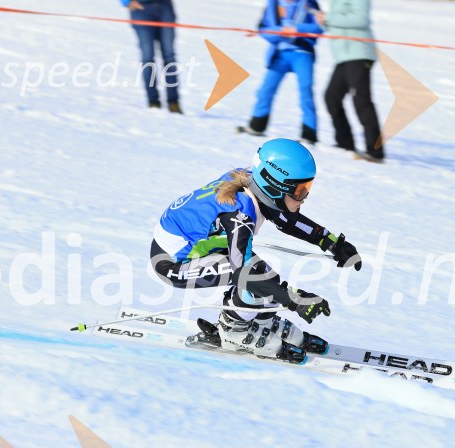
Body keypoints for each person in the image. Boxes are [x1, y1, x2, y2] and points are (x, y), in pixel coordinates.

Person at [150, 138, 362, 363]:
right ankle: (233, 330)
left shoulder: (254, 183)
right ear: (275, 187)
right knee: (257, 277)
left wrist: (333, 243)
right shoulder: (239, 216)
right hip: (172, 264)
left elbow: (286, 219)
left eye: (307, 188)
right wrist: (295, 299)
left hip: (199, 249)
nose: (305, 198)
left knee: (266, 278)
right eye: (301, 191)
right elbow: (243, 274)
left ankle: (261, 319)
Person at [240, 0, 323, 144]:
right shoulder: (273, 4)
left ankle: (309, 133)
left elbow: (319, 27)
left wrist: (296, 29)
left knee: (306, 91)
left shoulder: (308, 3)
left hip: (302, 53)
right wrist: (280, 31)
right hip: (280, 54)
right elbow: (263, 29)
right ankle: (257, 126)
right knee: (266, 90)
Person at [316, 0, 384, 162]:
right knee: (332, 97)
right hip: (344, 56)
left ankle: (375, 152)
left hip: (359, 53)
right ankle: (345, 144)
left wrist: (330, 18)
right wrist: (324, 22)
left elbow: (361, 19)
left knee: (361, 101)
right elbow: (339, 25)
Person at [122, 0, 182, 113]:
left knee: (169, 56)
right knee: (148, 57)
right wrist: (126, 2)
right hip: (141, 10)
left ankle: (174, 102)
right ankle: (153, 101)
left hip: (165, 8)